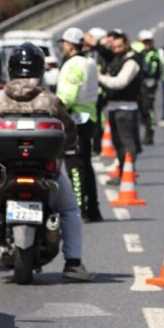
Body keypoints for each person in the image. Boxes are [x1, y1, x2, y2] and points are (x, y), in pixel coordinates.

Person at [0, 43, 93, 281]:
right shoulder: (50, 100)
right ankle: (73, 263)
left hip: (5, 172)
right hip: (46, 172)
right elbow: (69, 131)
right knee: (69, 210)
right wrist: (69, 147)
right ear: (39, 69)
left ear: (11, 68)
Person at [57, 27, 102, 223]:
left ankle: (78, 206)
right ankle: (92, 207)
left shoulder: (73, 65)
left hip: (74, 119)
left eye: (63, 44)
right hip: (89, 117)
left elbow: (68, 96)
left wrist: (55, 108)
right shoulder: (90, 63)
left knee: (74, 165)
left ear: (69, 44)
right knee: (86, 165)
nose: (62, 47)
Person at [98, 31, 142, 183]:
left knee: (127, 142)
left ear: (126, 45)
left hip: (126, 108)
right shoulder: (117, 59)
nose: (116, 49)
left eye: (119, 46)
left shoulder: (131, 62)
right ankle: (123, 172)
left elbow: (120, 82)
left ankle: (128, 173)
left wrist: (100, 77)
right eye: (114, 47)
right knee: (118, 143)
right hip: (114, 106)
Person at [132, 30, 161, 146]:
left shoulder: (153, 54)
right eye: (145, 42)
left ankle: (150, 134)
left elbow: (151, 70)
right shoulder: (137, 52)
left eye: (149, 41)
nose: (148, 44)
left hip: (149, 85)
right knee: (138, 110)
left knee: (148, 110)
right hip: (138, 85)